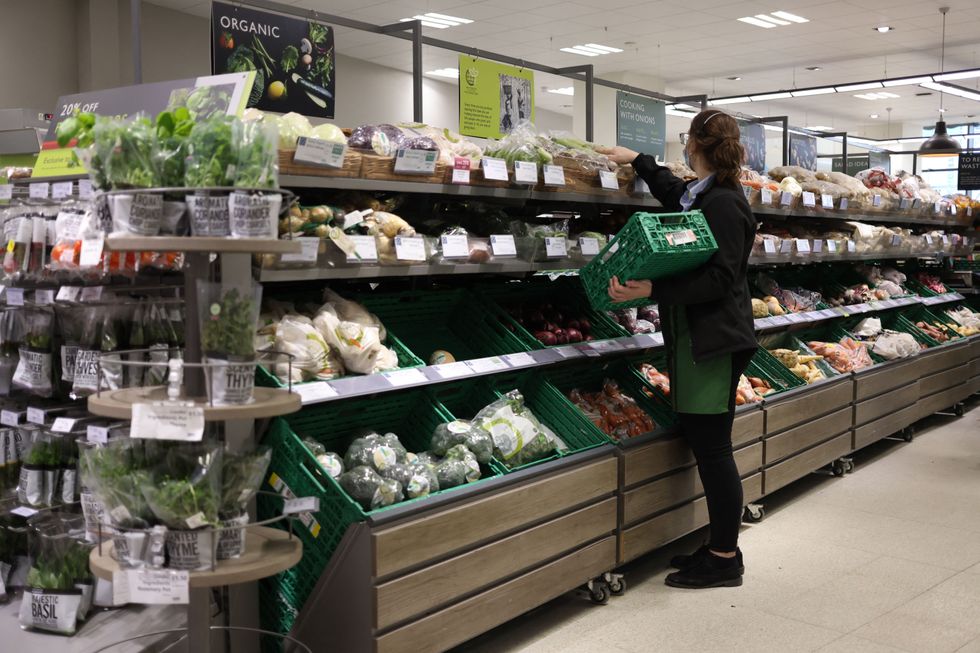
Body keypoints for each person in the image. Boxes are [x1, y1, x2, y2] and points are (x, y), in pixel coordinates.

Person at [597, 109, 758, 589]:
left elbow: (720, 277)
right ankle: (718, 546)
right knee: (708, 443)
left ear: (695, 145)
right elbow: (675, 194)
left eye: (686, 142)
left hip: (712, 340)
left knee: (714, 449)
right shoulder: (706, 194)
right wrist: (640, 161)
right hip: (697, 337)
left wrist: (651, 291)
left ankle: (725, 556)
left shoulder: (726, 204)